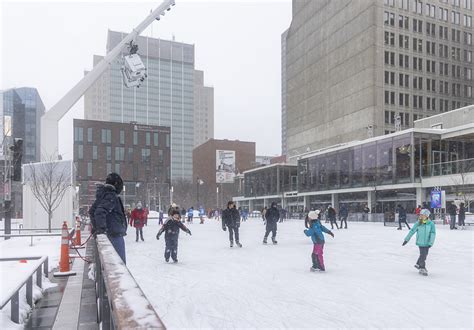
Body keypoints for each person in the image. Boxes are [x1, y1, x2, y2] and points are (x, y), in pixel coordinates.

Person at [89, 173, 128, 264]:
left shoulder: (103, 195)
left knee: (111, 263)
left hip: (112, 234)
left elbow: (92, 211)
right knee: (119, 265)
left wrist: (96, 227)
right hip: (114, 235)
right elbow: (99, 212)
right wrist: (101, 230)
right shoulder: (111, 196)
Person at [402, 209, 436, 276]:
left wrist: (431, 242)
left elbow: (433, 233)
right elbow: (412, 231)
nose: (421, 217)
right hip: (420, 242)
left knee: (424, 255)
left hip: (427, 243)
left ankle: (418, 264)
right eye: (420, 215)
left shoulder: (431, 224)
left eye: (423, 215)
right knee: (423, 255)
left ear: (427, 216)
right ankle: (422, 268)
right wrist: (406, 239)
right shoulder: (418, 223)